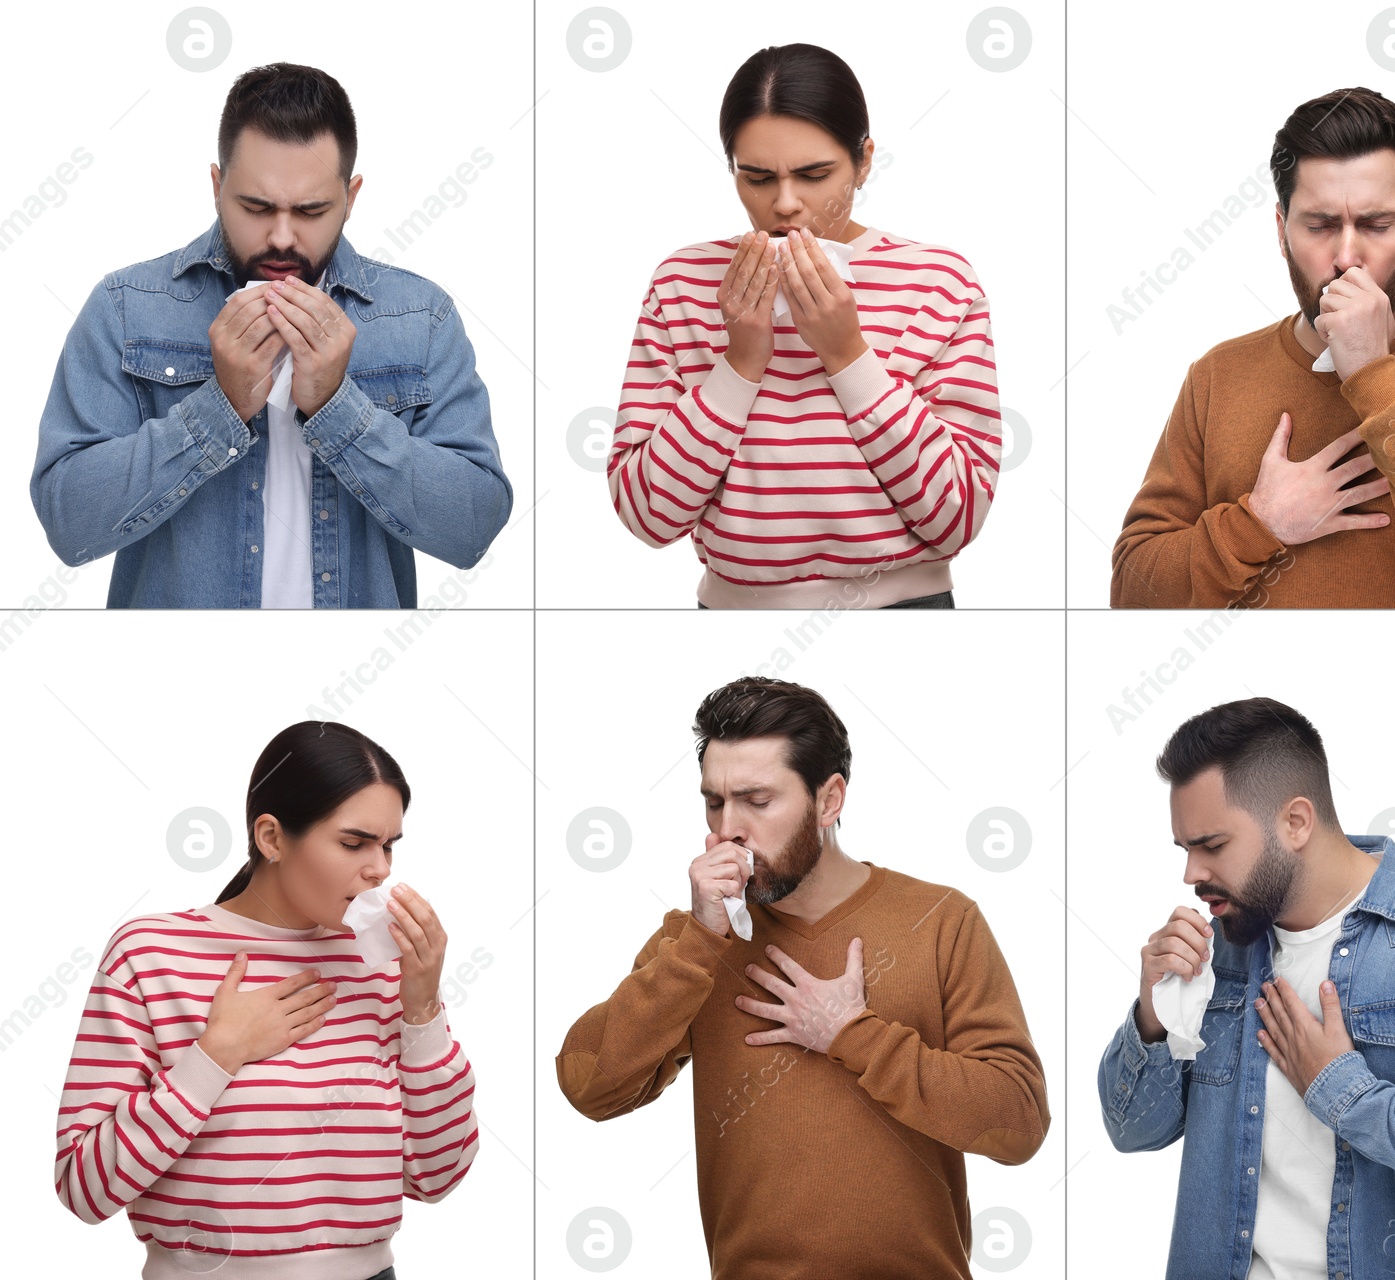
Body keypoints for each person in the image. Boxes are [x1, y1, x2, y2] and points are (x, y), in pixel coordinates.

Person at [555, 677, 1048, 1278]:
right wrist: (698, 945)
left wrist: (852, 1035)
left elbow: (1019, 1124)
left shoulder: (942, 921)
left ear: (829, 799)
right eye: (714, 801)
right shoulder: (696, 943)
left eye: (757, 802)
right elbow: (589, 1087)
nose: (727, 828)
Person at [1097, 697, 1395, 1278]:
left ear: (1295, 822)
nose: (1190, 873)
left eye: (1212, 845)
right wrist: (1152, 1013)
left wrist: (1342, 1091)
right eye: (1184, 848)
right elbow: (1131, 1131)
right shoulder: (1216, 952)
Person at [31, 62, 512, 608]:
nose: (282, 237)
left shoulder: (419, 317)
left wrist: (339, 409)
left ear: (351, 198)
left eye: (311, 211)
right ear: (217, 187)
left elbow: (473, 527)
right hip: (175, 679)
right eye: (256, 207)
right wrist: (219, 409)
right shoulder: (127, 307)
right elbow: (67, 524)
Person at [53, 721, 478, 1278]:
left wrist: (422, 1007)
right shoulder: (150, 954)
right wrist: (216, 1057)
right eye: (354, 843)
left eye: (389, 845)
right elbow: (83, 1189)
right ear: (272, 837)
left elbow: (438, 1175)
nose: (380, 869)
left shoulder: (381, 966)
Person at [1110, 87, 1395, 608]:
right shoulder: (1216, 377)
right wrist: (1259, 522)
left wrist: (1374, 376)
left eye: (1376, 225)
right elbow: (1132, 596)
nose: (1347, 257)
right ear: (1282, 232)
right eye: (1320, 226)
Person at [607, 44, 1000, 610]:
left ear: (864, 161)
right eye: (758, 177)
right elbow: (647, 517)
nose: (785, 203)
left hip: (907, 613)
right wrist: (739, 362)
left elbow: (958, 518)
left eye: (815, 174)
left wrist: (848, 354)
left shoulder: (940, 281)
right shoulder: (682, 282)